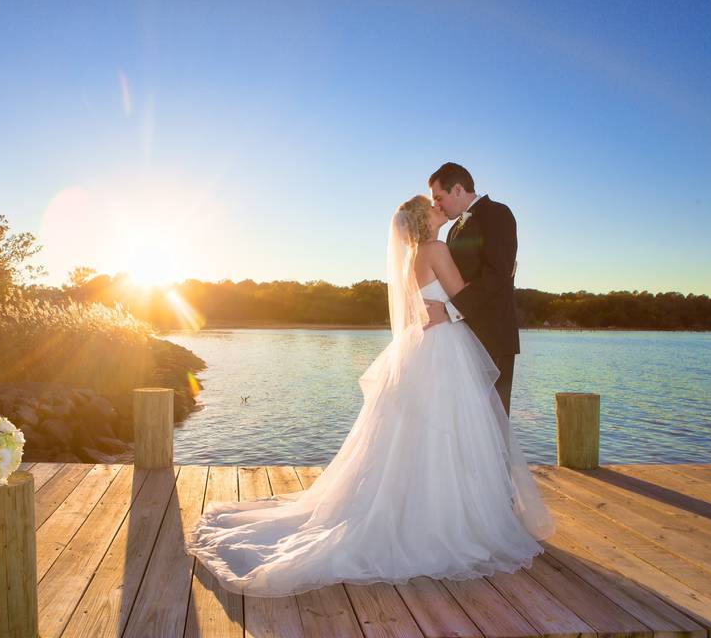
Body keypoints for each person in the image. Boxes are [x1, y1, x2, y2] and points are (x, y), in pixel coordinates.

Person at [183, 195, 554, 598]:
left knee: (419, 433)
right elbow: (465, 296)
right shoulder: (437, 249)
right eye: (432, 207)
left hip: (421, 347)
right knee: (448, 430)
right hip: (443, 348)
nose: (439, 209)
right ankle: (446, 518)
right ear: (423, 220)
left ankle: (420, 508)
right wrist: (508, 276)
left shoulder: (414, 256)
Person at [425, 162, 520, 415]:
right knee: (469, 422)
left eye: (438, 197)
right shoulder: (454, 229)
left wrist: (448, 311)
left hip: (493, 336)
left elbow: (496, 274)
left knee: (493, 420)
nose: (436, 205)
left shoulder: (498, 214)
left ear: (457, 189)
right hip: (463, 338)